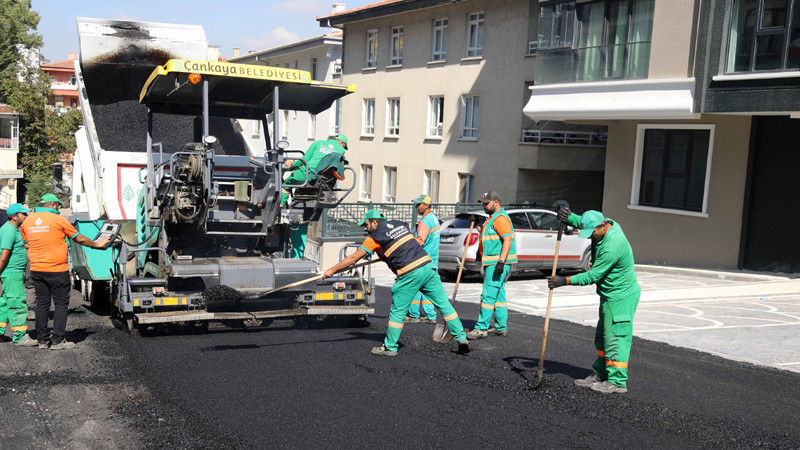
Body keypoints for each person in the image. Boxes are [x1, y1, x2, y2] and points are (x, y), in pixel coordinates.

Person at [322, 209, 469, 356]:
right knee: (444, 305)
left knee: (398, 312)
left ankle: (390, 347)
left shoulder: (373, 238)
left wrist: (332, 270)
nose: (365, 228)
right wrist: (385, 255)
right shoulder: (400, 225)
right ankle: (462, 339)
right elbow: (400, 246)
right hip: (427, 267)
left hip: (410, 272)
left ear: (374, 222)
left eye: (366, 225)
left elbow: (352, 259)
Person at [547, 208, 640, 394]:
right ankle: (602, 372)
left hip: (621, 296)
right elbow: (585, 220)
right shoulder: (603, 224)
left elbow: (593, 276)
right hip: (609, 295)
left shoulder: (613, 244)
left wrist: (564, 280)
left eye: (593, 233)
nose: (590, 237)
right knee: (602, 337)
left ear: (604, 226)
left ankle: (617, 381)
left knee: (615, 337)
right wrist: (569, 217)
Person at [19, 194, 110, 350]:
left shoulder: (27, 222)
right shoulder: (59, 220)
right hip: (56, 269)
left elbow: (26, 244)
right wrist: (97, 244)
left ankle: (42, 340)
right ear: (53, 205)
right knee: (61, 304)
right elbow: (78, 238)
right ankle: (57, 341)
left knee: (42, 304)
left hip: (36, 269)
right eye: (58, 206)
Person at [282, 134, 348, 259]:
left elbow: (305, 160)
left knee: (285, 185)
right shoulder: (341, 151)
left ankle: (279, 204)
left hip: (306, 176)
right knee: (303, 218)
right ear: (342, 143)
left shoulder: (318, 143)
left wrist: (292, 165)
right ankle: (297, 255)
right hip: (322, 185)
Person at [467, 191, 517, 340]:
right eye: (483, 203)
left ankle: (481, 328)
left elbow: (507, 240)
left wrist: (501, 262)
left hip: (497, 263)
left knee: (487, 295)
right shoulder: (493, 218)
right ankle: (501, 327)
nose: (484, 205)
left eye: (487, 203)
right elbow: (490, 235)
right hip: (494, 262)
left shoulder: (500, 218)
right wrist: (478, 227)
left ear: (496, 202)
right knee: (498, 295)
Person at [0, 204, 37, 346]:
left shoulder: (12, 229)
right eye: (24, 214)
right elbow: (4, 255)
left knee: (3, 303)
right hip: (12, 273)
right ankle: (20, 336)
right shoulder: (9, 230)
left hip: (10, 273)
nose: (26, 216)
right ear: (15, 216)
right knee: (17, 303)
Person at [405, 195, 440, 324]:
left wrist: (408, 246)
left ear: (426, 205)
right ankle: (431, 315)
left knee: (415, 285)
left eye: (418, 204)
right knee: (428, 287)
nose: (416, 207)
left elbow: (420, 241)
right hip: (432, 258)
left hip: (423, 259)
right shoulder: (433, 218)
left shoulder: (426, 221)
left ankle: (414, 314)